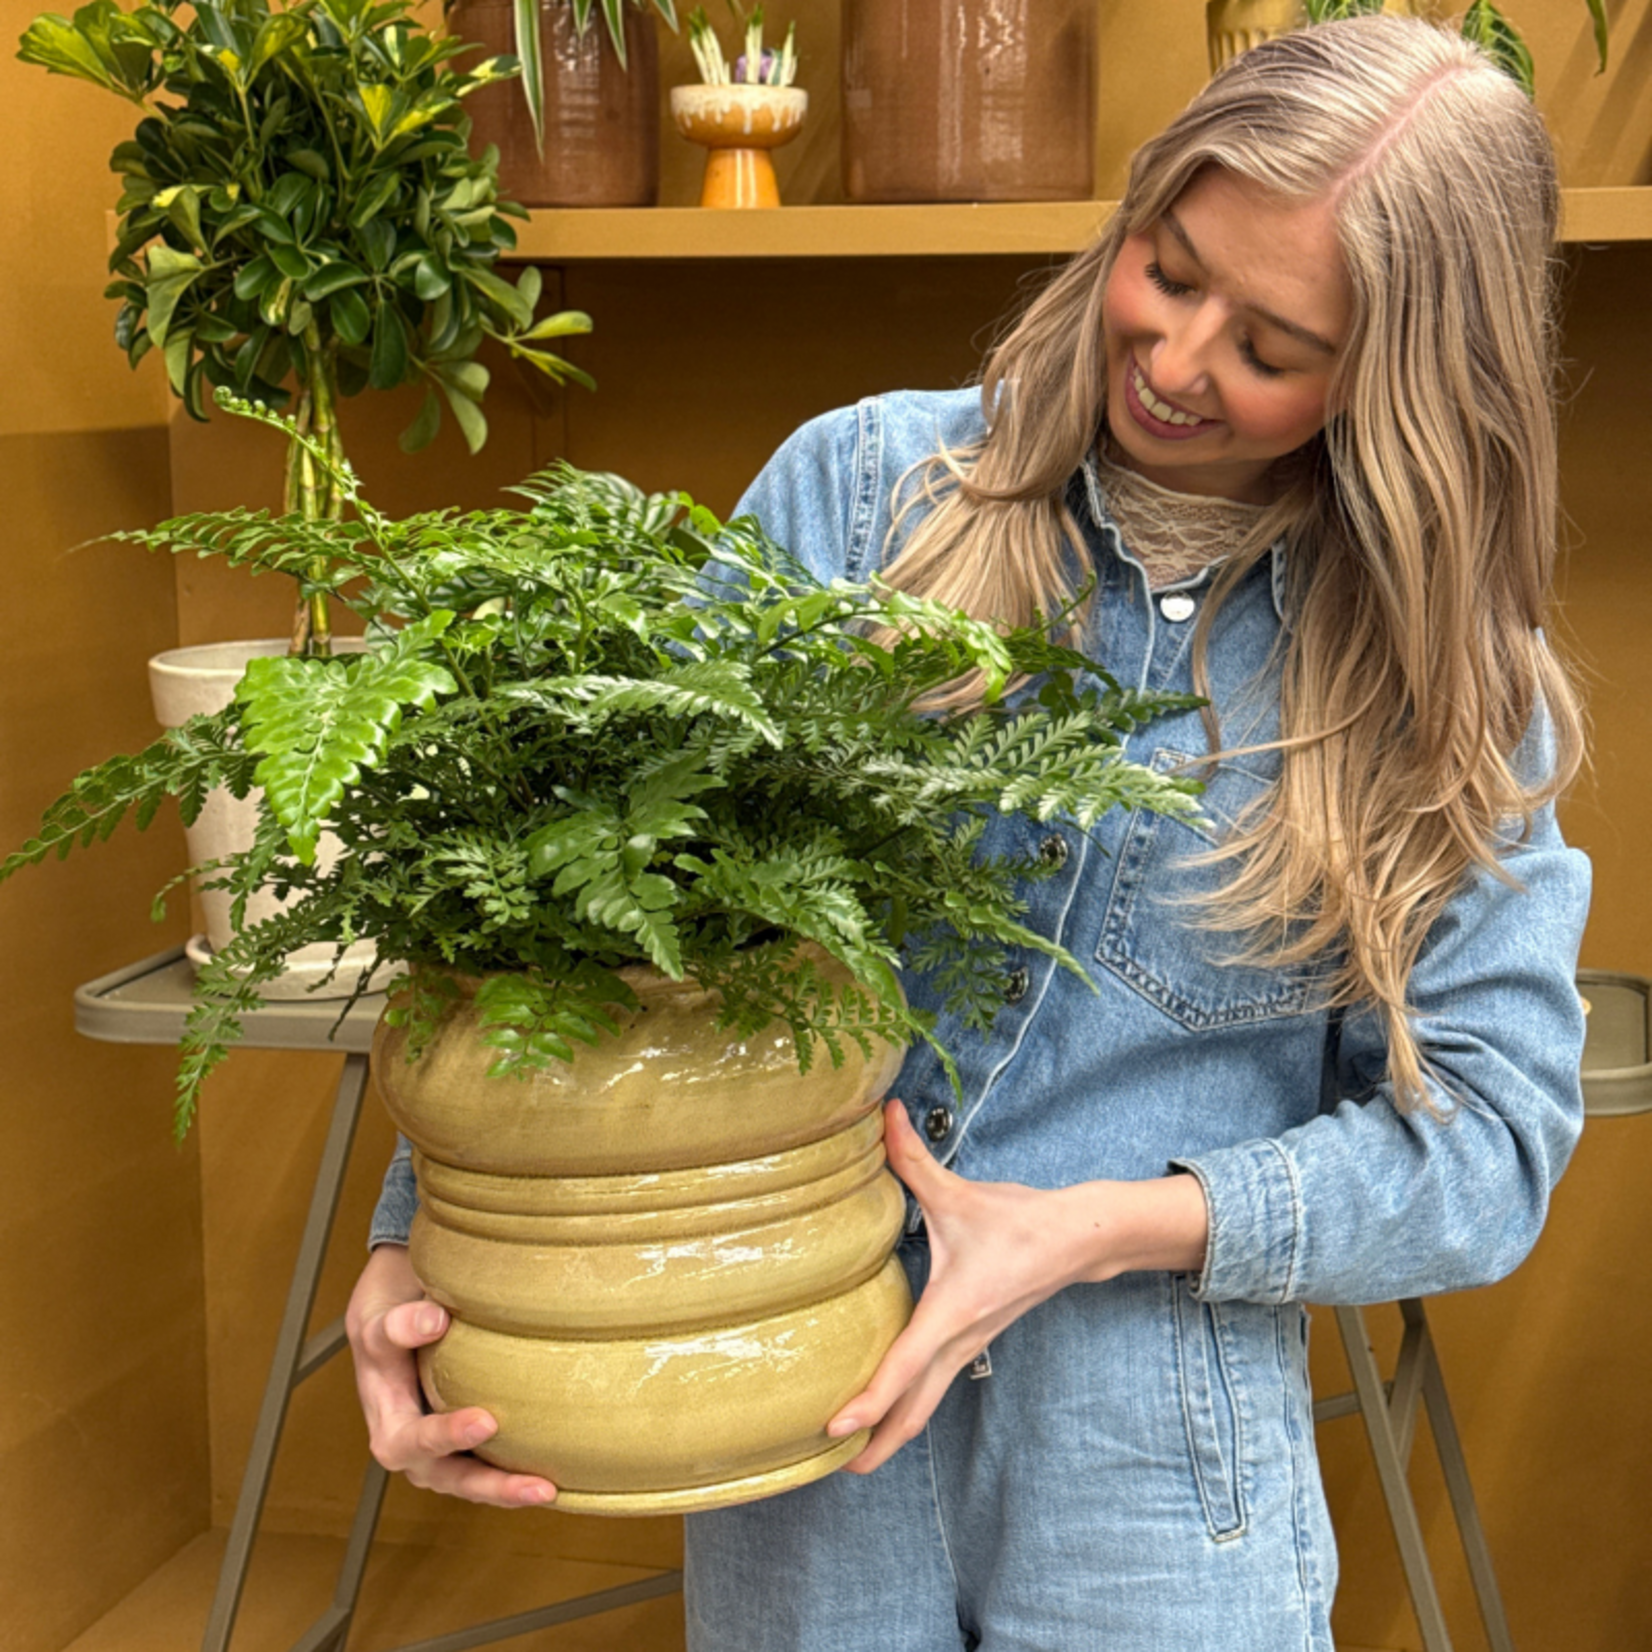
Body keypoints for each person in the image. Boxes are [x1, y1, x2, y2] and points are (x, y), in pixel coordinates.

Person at [346, 15, 1591, 1649]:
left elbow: (1490, 1149)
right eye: (1170, 264)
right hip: (803, 1423)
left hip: (1160, 1465)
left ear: (1399, 383)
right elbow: (597, 933)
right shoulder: (857, 496)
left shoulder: (1444, 687)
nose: (1173, 355)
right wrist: (418, 1251)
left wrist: (1100, 1226)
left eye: (1273, 347)